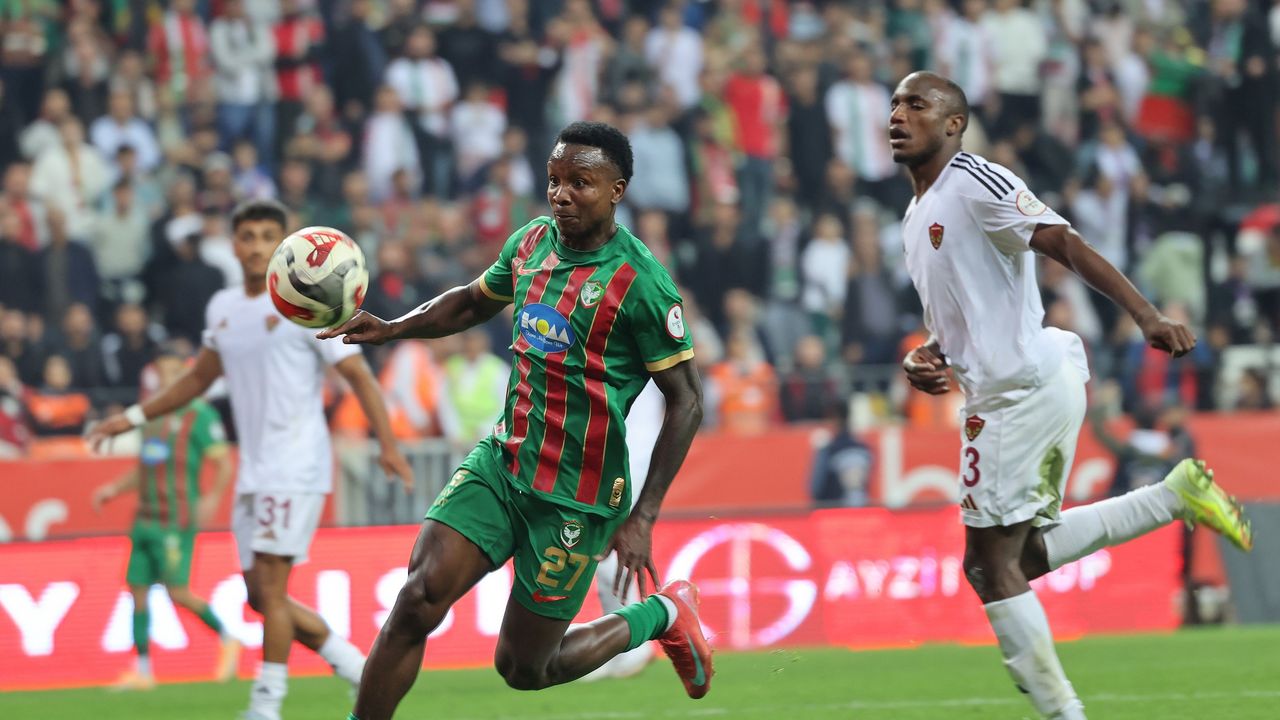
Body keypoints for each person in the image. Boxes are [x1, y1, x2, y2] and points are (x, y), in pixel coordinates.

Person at [888, 71, 1253, 720]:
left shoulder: (973, 180)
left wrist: (1145, 315)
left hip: (1018, 389)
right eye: (894, 104)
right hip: (1021, 381)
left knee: (989, 566)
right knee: (1022, 554)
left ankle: (1064, 713)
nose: (898, 114)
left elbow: (1061, 239)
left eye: (916, 104)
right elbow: (965, 317)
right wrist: (929, 354)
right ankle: (1174, 496)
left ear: (953, 124)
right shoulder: (916, 217)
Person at [319, 122, 712, 720]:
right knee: (417, 599)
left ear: (617, 191)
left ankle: (661, 613)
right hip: (504, 462)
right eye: (554, 180)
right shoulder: (531, 243)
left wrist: (644, 515)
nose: (561, 195)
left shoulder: (642, 285)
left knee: (526, 669)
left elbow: (687, 401)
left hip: (575, 498)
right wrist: (395, 327)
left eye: (580, 183)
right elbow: (474, 301)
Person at [89, 199, 412, 720]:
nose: (257, 246)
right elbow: (198, 378)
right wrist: (130, 417)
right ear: (234, 244)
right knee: (262, 598)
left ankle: (266, 705)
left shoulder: (309, 304)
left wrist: (388, 445)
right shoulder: (223, 306)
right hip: (253, 469)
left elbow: (357, 374)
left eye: (267, 237)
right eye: (248, 237)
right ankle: (358, 667)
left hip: (296, 464)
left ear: (284, 245)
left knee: (273, 588)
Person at [91, 343, 241, 690]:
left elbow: (223, 463)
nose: (166, 377)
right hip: (144, 517)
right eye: (160, 370)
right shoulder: (152, 414)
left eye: (173, 370)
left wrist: (211, 499)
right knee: (137, 589)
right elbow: (146, 468)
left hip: (176, 517)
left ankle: (228, 638)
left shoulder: (199, 414)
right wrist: (113, 488)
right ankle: (143, 671)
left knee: (178, 592)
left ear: (186, 371)